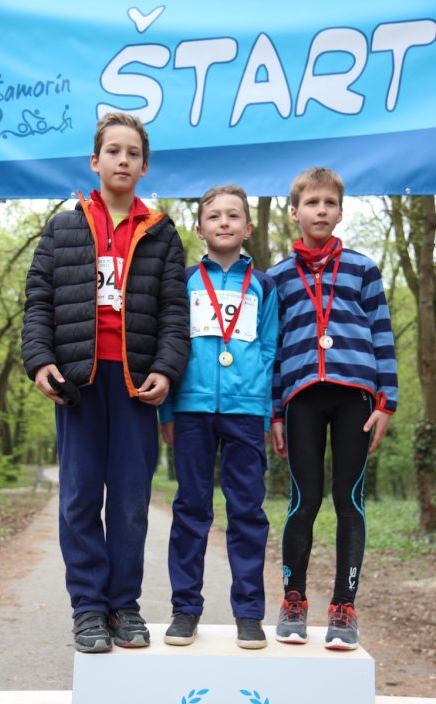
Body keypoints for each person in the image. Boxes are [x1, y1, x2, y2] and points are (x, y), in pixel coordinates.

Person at [21, 112, 189, 653]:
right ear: (94, 161)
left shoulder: (162, 233)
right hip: (79, 381)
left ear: (144, 166)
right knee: (79, 497)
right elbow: (38, 300)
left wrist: (165, 368)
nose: (123, 159)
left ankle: (125, 606)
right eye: (113, 151)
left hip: (136, 383)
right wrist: (39, 361)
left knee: (131, 500)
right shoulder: (63, 228)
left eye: (133, 153)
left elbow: (174, 312)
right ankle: (89, 609)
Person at [268, 167, 398, 650]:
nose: (320, 210)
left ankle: (344, 607)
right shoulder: (278, 277)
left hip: (355, 397)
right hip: (301, 396)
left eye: (329, 203)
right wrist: (275, 412)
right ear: (294, 212)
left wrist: (387, 401)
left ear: (341, 212)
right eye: (312, 202)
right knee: (304, 500)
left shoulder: (363, 268)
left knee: (349, 499)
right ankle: (293, 600)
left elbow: (382, 334)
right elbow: (274, 350)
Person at [159, 185, 279, 649]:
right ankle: (184, 609)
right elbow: (170, 345)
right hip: (191, 409)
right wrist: (168, 410)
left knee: (246, 510)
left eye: (233, 216)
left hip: (246, 412)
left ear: (248, 228)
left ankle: (249, 613)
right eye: (214, 216)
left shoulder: (264, 285)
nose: (224, 222)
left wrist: (264, 413)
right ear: (199, 228)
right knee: (191, 507)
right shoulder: (183, 281)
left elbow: (268, 350)